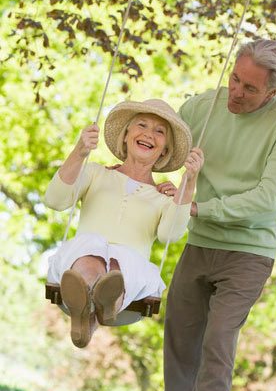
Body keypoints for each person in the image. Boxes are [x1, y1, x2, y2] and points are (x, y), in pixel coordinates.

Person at [144, 39, 276, 391]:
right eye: (234, 79)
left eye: (249, 89)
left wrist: (200, 209)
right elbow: (161, 144)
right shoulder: (203, 107)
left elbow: (269, 197)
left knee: (217, 345)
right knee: (180, 344)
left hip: (250, 251)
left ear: (271, 93)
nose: (235, 92)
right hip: (200, 243)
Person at [44, 99, 204, 348]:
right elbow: (55, 200)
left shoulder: (165, 197)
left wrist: (188, 184)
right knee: (92, 247)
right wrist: (79, 152)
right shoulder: (96, 173)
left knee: (120, 265)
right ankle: (92, 308)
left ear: (164, 150)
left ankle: (93, 308)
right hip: (79, 260)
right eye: (142, 125)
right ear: (126, 134)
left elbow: (170, 235)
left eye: (159, 131)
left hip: (132, 270)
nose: (149, 134)